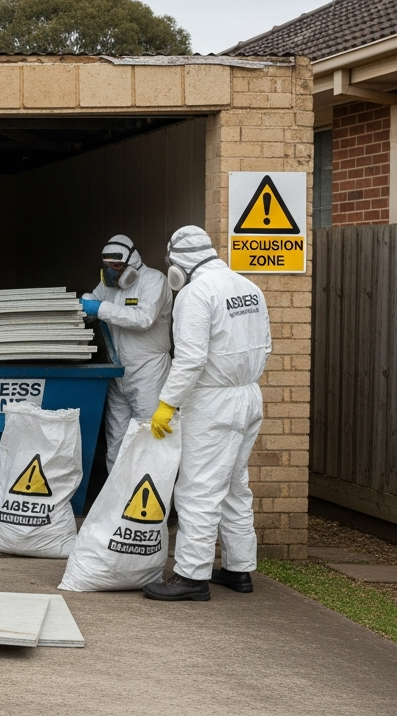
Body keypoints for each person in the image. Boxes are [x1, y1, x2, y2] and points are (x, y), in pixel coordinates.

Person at [144, 225, 271, 602]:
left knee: (198, 488)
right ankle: (238, 569)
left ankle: (191, 576)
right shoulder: (249, 287)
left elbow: (191, 359)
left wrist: (168, 403)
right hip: (248, 395)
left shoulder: (195, 293)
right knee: (234, 485)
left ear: (176, 265)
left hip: (213, 402)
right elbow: (266, 346)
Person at [80, 234, 173, 472]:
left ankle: (150, 489)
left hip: (148, 371)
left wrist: (100, 308)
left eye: (117, 266)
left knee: (148, 434)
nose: (111, 271)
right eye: (108, 266)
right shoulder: (108, 285)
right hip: (118, 371)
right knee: (116, 438)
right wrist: (87, 303)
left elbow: (144, 319)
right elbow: (94, 300)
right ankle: (117, 491)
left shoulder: (154, 280)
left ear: (131, 262)